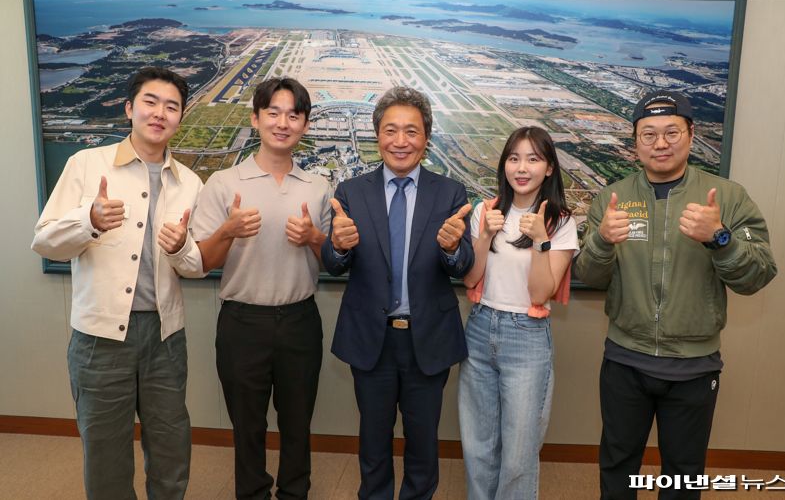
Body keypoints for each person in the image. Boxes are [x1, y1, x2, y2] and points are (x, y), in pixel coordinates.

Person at [574, 90, 777, 500]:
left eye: (671, 132)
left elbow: (758, 275)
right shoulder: (611, 198)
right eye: (648, 135)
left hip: (694, 368)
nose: (660, 143)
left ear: (690, 134)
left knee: (684, 474)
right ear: (635, 143)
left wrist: (720, 239)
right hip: (624, 360)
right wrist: (601, 242)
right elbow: (590, 276)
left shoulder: (728, 198)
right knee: (617, 463)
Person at [31, 66, 204, 499]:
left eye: (172, 106)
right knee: (106, 453)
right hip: (100, 337)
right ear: (129, 109)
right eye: (150, 102)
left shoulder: (190, 182)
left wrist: (181, 246)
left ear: (181, 117)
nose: (160, 113)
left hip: (166, 336)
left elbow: (195, 266)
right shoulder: (87, 164)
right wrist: (87, 220)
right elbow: (44, 240)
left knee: (170, 448)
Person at [321, 86, 474, 500]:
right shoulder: (351, 192)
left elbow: (461, 267)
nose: (401, 141)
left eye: (412, 131)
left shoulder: (450, 194)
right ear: (377, 135)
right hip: (371, 338)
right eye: (391, 130)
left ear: (426, 138)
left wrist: (451, 248)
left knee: (423, 446)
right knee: (373, 442)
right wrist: (337, 245)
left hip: (428, 338)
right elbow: (333, 264)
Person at [191, 77, 330, 500]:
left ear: (305, 124)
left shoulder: (319, 186)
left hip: (300, 319)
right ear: (255, 119)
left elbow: (336, 260)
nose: (282, 122)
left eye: (293, 114)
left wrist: (314, 238)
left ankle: (294, 493)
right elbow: (203, 262)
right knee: (247, 425)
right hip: (242, 321)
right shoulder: (223, 183)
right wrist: (228, 231)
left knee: (297, 423)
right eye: (273, 112)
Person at [459, 126, 578, 499]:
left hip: (526, 337)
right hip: (479, 330)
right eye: (514, 158)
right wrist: (482, 236)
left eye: (533, 158)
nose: (521, 167)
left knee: (518, 455)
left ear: (549, 168)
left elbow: (541, 292)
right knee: (479, 448)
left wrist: (542, 241)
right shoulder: (486, 210)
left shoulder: (561, 222)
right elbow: (470, 279)